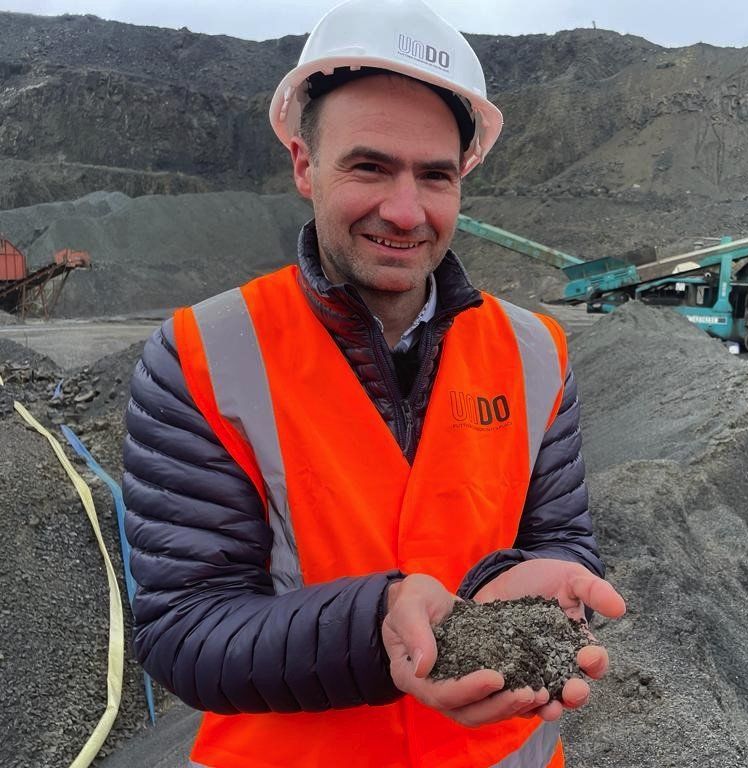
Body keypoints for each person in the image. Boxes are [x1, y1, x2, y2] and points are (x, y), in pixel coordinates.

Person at [123, 0, 625, 766]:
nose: (404, 209)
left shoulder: (536, 352)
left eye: (435, 175)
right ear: (303, 164)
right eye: (369, 166)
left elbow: (559, 540)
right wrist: (379, 624)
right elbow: (185, 628)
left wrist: (529, 581)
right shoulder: (202, 356)